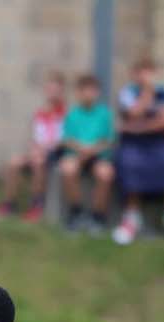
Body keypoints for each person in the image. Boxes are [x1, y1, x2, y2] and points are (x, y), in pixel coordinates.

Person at [112, 57, 164, 247]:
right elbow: (133, 113)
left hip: (158, 141)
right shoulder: (127, 92)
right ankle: (131, 218)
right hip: (133, 144)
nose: (145, 75)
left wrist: (137, 127)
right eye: (140, 71)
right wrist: (147, 93)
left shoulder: (163, 92)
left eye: (149, 71)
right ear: (133, 74)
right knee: (129, 162)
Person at [0, 70, 67, 222]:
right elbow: (35, 137)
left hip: (55, 153)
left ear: (61, 92)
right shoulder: (40, 113)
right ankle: (9, 204)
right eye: (49, 89)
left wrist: (43, 150)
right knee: (14, 162)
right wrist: (33, 149)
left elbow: (63, 140)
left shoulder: (66, 113)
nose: (52, 93)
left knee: (38, 162)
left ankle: (36, 205)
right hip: (38, 151)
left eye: (55, 90)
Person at [57, 73, 117, 233]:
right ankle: (76, 211)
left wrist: (93, 149)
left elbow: (110, 139)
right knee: (68, 169)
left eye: (92, 90)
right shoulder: (72, 114)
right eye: (85, 90)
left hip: (98, 155)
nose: (88, 94)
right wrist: (81, 148)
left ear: (97, 93)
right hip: (76, 153)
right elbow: (66, 139)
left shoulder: (105, 114)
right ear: (78, 92)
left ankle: (98, 216)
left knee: (105, 174)